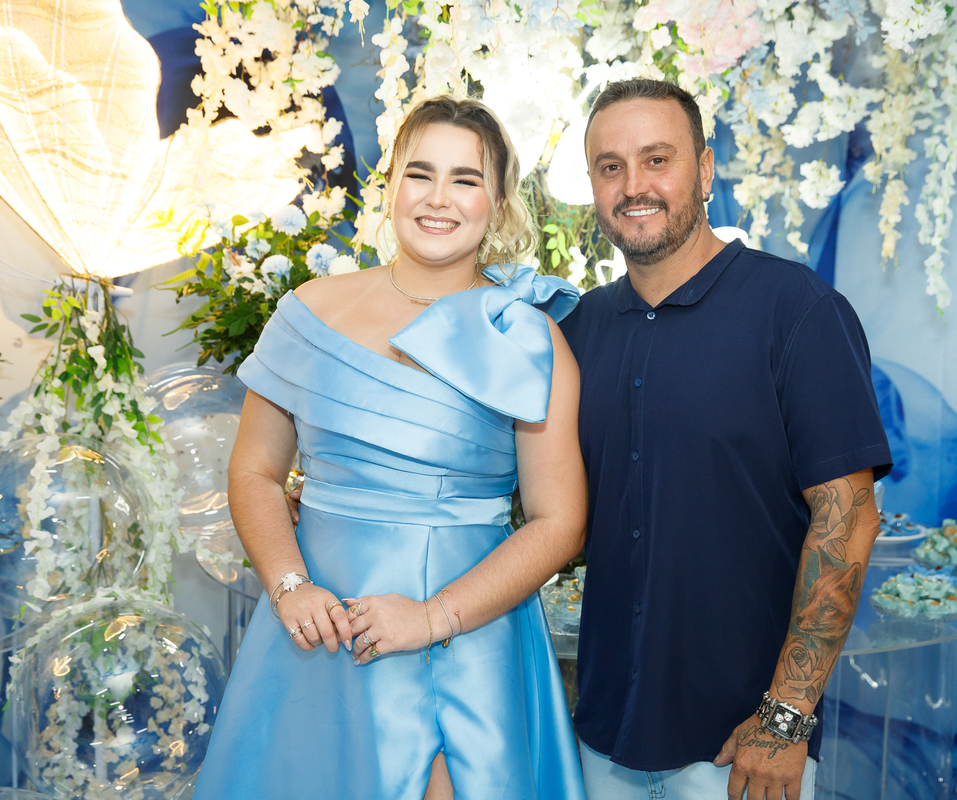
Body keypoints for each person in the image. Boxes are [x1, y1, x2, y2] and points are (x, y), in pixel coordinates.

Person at [193, 96, 588, 800]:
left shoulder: (530, 338)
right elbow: (254, 471)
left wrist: (434, 618)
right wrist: (290, 586)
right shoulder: (308, 312)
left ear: (498, 202)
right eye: (420, 174)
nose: (439, 198)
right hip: (320, 633)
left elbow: (560, 522)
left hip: (469, 636)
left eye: (466, 179)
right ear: (390, 185)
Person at [558, 79, 893, 800]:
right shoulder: (576, 330)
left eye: (657, 160)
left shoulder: (796, 310)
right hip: (601, 737)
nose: (633, 185)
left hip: (743, 751)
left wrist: (785, 719)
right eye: (611, 166)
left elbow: (848, 519)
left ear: (705, 169)